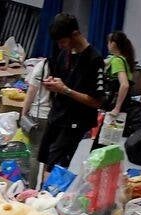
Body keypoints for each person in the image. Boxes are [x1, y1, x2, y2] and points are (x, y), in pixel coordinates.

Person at [37, 12, 103, 173]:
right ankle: (40, 193)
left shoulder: (94, 60)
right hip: (57, 115)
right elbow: (60, 82)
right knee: (45, 158)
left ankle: (50, 193)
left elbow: (96, 101)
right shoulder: (64, 55)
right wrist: (52, 85)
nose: (61, 46)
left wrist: (65, 90)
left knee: (57, 163)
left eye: (63, 41)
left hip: (75, 121)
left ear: (75, 34)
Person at [21, 56, 51, 186]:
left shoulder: (42, 66)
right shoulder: (64, 66)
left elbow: (31, 93)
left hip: (38, 115)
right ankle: (44, 186)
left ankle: (31, 187)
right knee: (48, 155)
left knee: (34, 154)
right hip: (54, 117)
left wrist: (23, 113)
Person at [105, 30, 135, 119]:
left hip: (116, 103)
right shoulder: (122, 58)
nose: (107, 45)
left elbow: (125, 85)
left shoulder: (117, 61)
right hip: (124, 101)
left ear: (113, 44)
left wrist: (116, 108)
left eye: (108, 42)